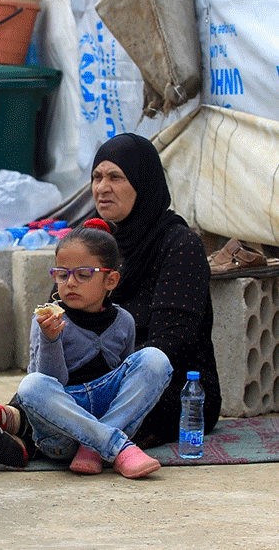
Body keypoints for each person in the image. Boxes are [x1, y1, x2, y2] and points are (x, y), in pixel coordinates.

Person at [0, 219, 173, 478]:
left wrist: (102, 427)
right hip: (62, 435)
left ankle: (94, 443)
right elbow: (47, 388)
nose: (70, 283)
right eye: (62, 274)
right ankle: (115, 446)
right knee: (32, 385)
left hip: (105, 418)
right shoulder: (48, 320)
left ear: (111, 280)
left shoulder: (124, 320)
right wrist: (51, 339)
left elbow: (125, 386)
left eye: (83, 275)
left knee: (155, 359)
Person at [90, 132, 222, 448]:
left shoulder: (179, 245)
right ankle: (10, 422)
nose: (102, 188)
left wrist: (102, 377)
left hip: (169, 387)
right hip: (96, 375)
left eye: (115, 177)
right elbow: (62, 312)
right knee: (41, 389)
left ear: (143, 183)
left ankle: (35, 436)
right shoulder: (93, 244)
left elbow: (171, 343)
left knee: (80, 406)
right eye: (96, 177)